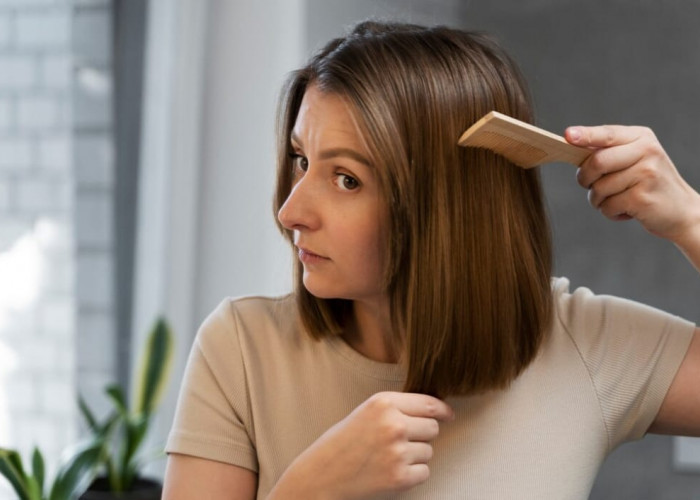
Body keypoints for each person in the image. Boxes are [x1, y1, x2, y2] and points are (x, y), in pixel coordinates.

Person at [162, 21, 700, 499]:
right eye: (301, 160)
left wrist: (691, 220)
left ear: (447, 206)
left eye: (346, 179)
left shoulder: (583, 344)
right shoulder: (240, 349)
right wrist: (313, 489)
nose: (290, 210)